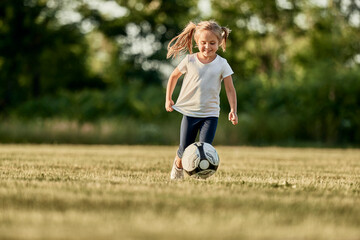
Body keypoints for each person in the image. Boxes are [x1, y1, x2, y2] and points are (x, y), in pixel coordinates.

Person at [165, 20, 238, 180]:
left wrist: (233, 110)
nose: (207, 47)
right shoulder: (190, 60)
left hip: (210, 115)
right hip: (190, 113)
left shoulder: (222, 64)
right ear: (197, 42)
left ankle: (200, 174)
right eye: (203, 43)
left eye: (212, 43)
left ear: (219, 42)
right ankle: (177, 168)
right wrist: (168, 98)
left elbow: (230, 89)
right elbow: (174, 76)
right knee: (184, 149)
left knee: (205, 148)